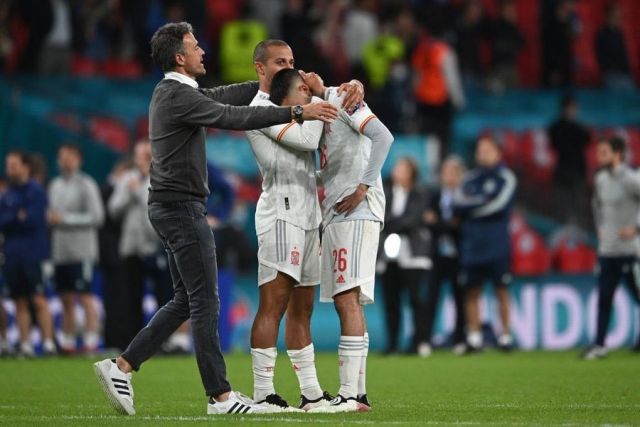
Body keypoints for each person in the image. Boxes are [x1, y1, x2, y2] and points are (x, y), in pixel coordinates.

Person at [93, 21, 337, 416]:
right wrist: (295, 108)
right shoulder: (176, 95)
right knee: (206, 301)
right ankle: (220, 397)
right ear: (179, 57)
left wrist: (269, 83)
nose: (203, 50)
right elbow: (229, 115)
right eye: (195, 46)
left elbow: (227, 95)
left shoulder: (178, 92)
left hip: (173, 205)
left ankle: (121, 366)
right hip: (180, 207)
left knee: (186, 301)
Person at [245, 39, 363, 412]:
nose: (288, 67)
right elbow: (309, 139)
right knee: (273, 305)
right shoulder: (260, 111)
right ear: (260, 68)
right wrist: (317, 102)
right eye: (280, 61)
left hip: (308, 215)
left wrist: (344, 90)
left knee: (302, 310)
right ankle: (263, 392)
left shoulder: (296, 103)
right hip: (280, 215)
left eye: (292, 61)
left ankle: (311, 394)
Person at [302, 69, 393, 413]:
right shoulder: (318, 116)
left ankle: (348, 395)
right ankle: (358, 392)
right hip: (338, 211)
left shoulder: (341, 97)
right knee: (348, 297)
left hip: (356, 207)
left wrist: (363, 187)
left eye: (302, 69)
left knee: (346, 298)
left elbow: (383, 137)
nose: (302, 75)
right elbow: (327, 166)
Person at [107, 140, 181, 351]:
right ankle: (132, 343)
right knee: (130, 297)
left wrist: (139, 190)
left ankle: (164, 342)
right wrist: (130, 191)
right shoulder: (127, 179)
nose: (142, 159)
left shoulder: (163, 178)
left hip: (158, 246)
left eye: (146, 155)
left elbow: (155, 205)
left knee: (164, 296)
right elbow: (113, 210)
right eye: (139, 155)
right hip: (131, 247)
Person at [454, 137, 516, 353]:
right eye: (480, 150)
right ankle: (475, 337)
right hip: (472, 245)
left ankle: (506, 336)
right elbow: (457, 203)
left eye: (487, 150)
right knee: (471, 292)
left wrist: (472, 208)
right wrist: (482, 201)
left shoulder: (505, 177)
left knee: (501, 290)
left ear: (498, 153)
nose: (483, 154)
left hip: (497, 245)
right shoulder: (469, 178)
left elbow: (499, 205)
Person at [583, 137, 640, 359]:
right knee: (604, 298)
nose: (599, 157)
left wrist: (636, 228)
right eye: (598, 152)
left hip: (630, 252)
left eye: (604, 152)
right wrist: (600, 228)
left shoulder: (631, 179)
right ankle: (599, 345)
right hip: (608, 251)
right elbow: (596, 205)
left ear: (618, 154)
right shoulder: (600, 180)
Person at [48, 143, 104, 354]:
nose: (66, 161)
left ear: (78, 160)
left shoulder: (86, 184)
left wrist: (65, 219)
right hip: (60, 251)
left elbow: (97, 217)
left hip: (82, 251)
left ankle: (91, 341)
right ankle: (69, 342)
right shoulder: (54, 185)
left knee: (86, 297)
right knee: (65, 298)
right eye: (62, 157)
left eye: (70, 157)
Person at [0, 151, 55, 357]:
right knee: (19, 300)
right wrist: (17, 216)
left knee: (39, 298)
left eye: (14, 164)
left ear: (25, 167)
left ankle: (48, 343)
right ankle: (25, 344)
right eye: (8, 165)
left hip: (34, 254)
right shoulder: (7, 194)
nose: (10, 169)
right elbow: (3, 222)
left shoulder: (36, 191)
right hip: (12, 255)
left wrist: (13, 218)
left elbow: (33, 220)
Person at [378, 158, 431, 355]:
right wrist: (394, 223)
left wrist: (392, 223)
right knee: (391, 300)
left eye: (402, 168)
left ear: (411, 173)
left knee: (416, 300)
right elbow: (380, 216)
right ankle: (392, 344)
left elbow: (414, 218)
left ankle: (419, 342)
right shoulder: (385, 192)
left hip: (414, 254)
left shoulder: (421, 192)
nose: (397, 171)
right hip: (388, 255)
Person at [422, 156, 467, 356]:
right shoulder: (435, 195)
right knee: (431, 298)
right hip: (438, 254)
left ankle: (460, 339)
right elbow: (427, 222)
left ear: (460, 175)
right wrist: (448, 225)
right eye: (445, 172)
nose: (448, 177)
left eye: (452, 173)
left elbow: (463, 226)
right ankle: (425, 339)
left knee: (460, 298)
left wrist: (438, 223)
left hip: (460, 254)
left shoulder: (466, 196)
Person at [548, 95, 591, 228]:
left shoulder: (555, 127)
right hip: (569, 170)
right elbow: (586, 139)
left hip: (571, 170)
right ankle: (566, 240)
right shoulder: (576, 128)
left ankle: (578, 240)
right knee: (568, 206)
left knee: (574, 207)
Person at [595, 4, 634, 90]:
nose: (618, 19)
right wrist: (611, 69)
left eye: (619, 17)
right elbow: (601, 56)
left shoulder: (619, 33)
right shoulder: (602, 34)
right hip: (611, 76)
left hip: (624, 75)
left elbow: (623, 55)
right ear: (608, 17)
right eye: (615, 16)